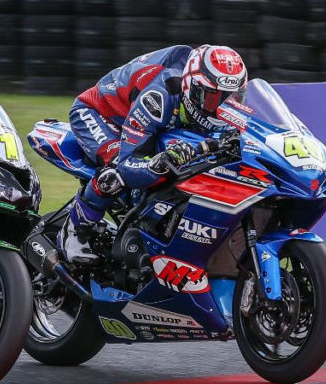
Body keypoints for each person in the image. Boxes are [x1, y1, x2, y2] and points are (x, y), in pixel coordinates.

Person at [58, 44, 249, 264]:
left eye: (233, 98)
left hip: (149, 122)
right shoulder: (160, 95)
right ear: (193, 89)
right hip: (102, 114)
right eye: (215, 99)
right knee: (116, 171)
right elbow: (129, 166)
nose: (223, 107)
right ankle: (75, 231)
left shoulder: (215, 105)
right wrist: (159, 164)